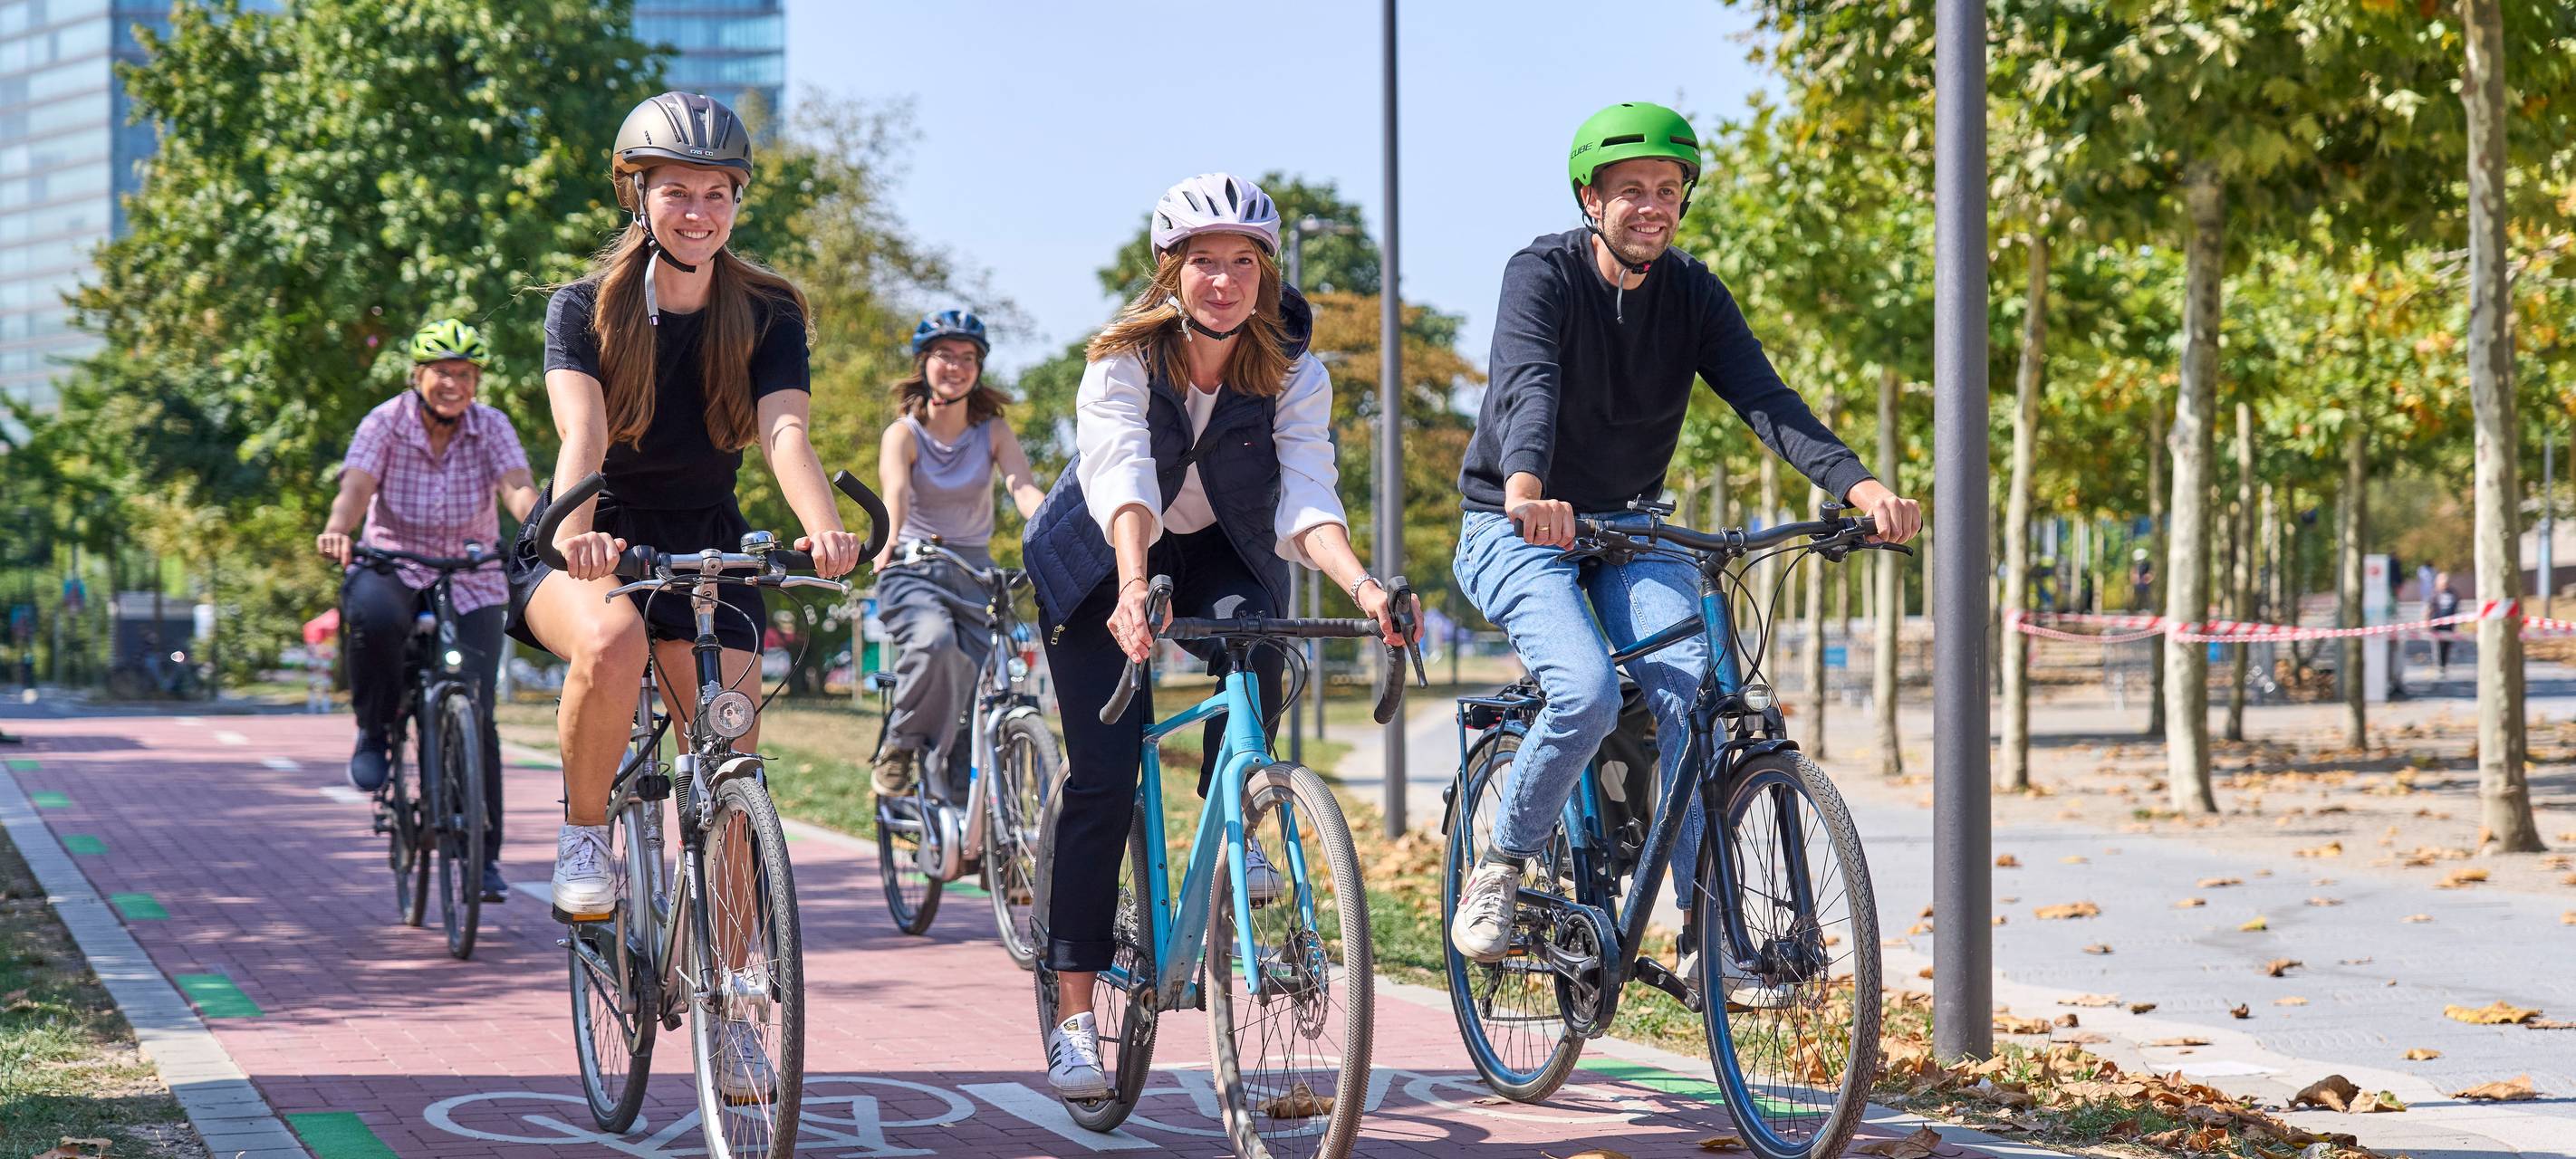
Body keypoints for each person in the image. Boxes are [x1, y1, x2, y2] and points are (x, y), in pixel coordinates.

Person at [1445, 102, 1922, 1003]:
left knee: (1700, 696)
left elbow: (1767, 400)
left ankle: (1715, 939)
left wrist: (1860, 490)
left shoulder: (1693, 293)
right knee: (1582, 690)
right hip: (1515, 523)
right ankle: (1502, 859)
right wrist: (1525, 488)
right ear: (1591, 199)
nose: (1651, 207)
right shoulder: (1541, 275)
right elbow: (1529, 385)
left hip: (1631, 529)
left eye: (1668, 191)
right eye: (1630, 191)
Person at [1019, 173, 1414, 1098]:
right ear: (1172, 272)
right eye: (1205, 262)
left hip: (1222, 551)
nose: (1225, 280)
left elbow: (1308, 496)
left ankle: (1239, 809)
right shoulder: (1122, 359)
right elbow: (1123, 475)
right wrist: (1127, 588)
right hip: (1099, 560)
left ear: (1267, 273)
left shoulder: (1291, 369)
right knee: (1105, 776)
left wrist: (1362, 585)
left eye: (1244, 262)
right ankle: (1075, 1014)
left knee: (1262, 641)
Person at [505, 91, 860, 1099]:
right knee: (612, 639)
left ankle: (741, 1003)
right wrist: (576, 537)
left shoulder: (770, 309)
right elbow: (580, 438)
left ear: (737, 202)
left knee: (732, 768)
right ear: (637, 194)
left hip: (706, 546)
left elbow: (786, 432)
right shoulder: (583, 306)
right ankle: (584, 836)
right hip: (588, 537)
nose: (698, 211)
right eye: (676, 192)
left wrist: (822, 523)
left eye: (718, 193)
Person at [316, 319, 538, 902]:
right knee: (373, 618)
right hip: (393, 562)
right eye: (443, 372)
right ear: (419, 376)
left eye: (465, 375)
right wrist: (339, 528)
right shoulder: (385, 422)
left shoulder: (491, 427)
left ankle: (484, 860)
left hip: (470, 572)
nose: (454, 384)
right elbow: (357, 487)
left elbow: (517, 486)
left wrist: (547, 531)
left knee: (479, 709)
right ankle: (373, 732)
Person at [869, 310, 1048, 796]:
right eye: (945, 355)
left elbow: (1022, 486)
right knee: (932, 644)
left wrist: (1057, 526)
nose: (957, 365)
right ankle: (901, 745)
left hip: (975, 573)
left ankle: (973, 804)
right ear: (924, 362)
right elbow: (897, 495)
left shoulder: (991, 430)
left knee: (979, 685)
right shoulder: (904, 434)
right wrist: (886, 545)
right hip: (914, 567)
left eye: (968, 357)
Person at [2429, 570, 2462, 679]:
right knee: (2438, 646)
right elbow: (2429, 608)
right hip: (2437, 625)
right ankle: (2439, 665)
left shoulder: (2453, 593)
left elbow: (2457, 608)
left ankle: (2443, 665)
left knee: (2447, 646)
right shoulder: (2434, 594)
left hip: (2449, 625)